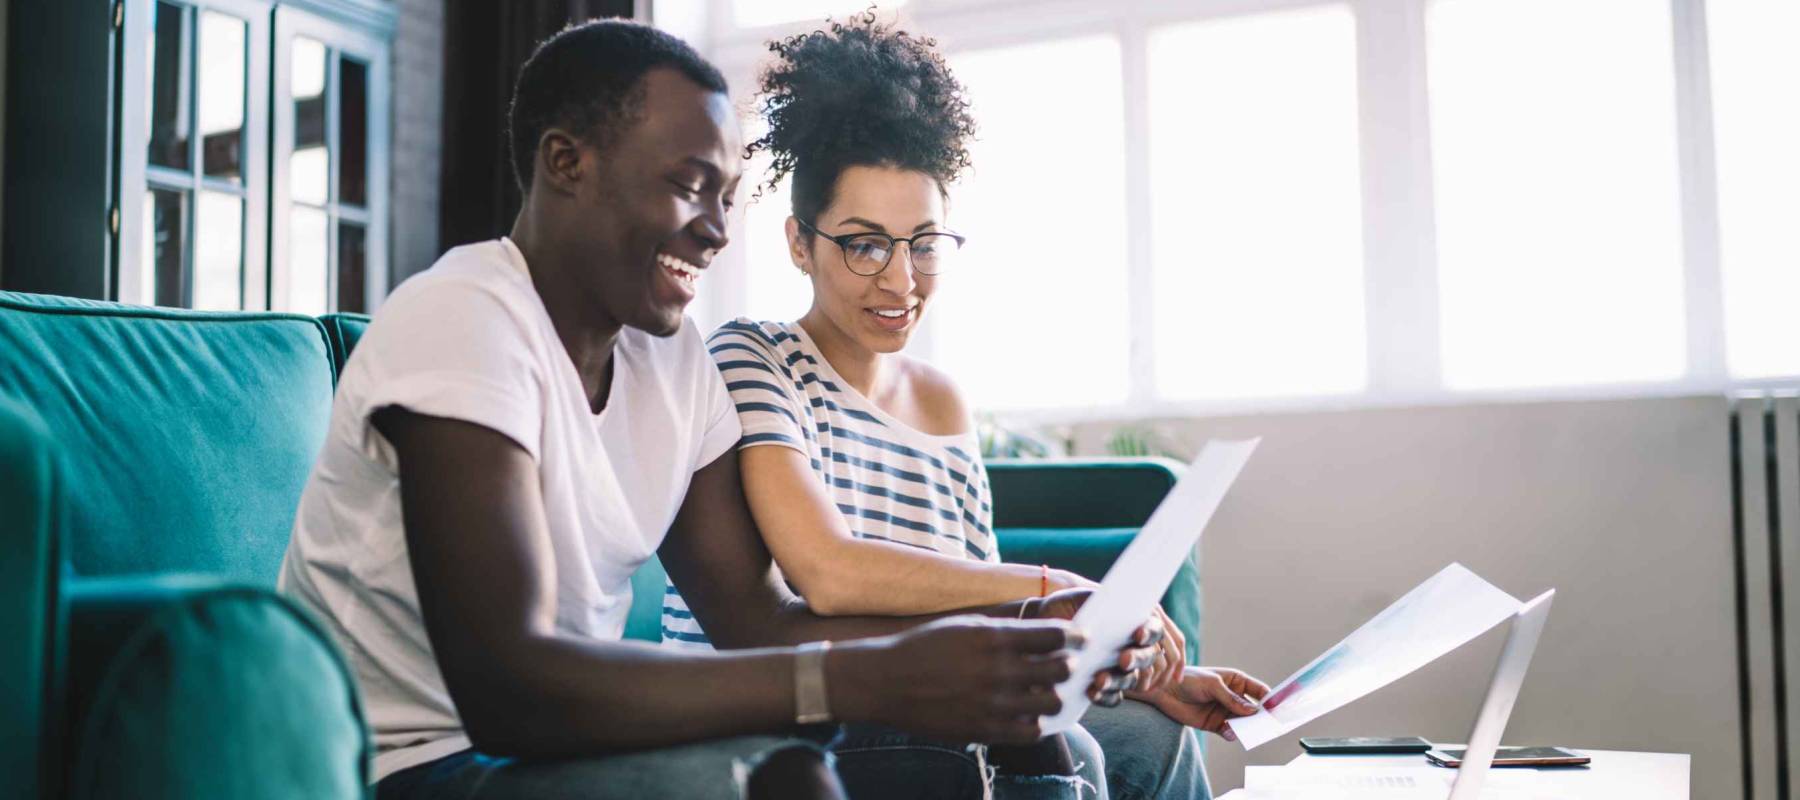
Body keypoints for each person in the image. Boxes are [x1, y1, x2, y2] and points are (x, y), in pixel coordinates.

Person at [278, 19, 1161, 800]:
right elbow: (512, 688)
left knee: (1030, 743)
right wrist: (866, 680)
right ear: (566, 164)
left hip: (553, 752)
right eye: (690, 184)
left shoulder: (674, 365)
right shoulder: (463, 318)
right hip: (405, 766)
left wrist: (1014, 630)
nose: (717, 227)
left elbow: (756, 621)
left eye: (728, 196)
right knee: (768, 778)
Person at [658, 13, 1271, 799]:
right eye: (864, 243)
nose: (901, 281)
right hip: (792, 719)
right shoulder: (754, 358)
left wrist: (1136, 676)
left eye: (924, 242)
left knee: (1154, 739)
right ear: (798, 244)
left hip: (924, 705)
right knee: (1059, 753)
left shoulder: (942, 403)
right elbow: (829, 572)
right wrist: (1054, 589)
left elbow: (976, 626)